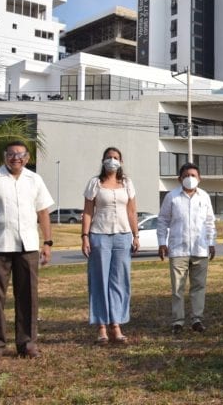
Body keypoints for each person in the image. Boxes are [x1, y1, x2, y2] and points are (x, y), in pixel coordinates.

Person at [0, 140, 55, 363]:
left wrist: (48, 242)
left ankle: (27, 344)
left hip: (28, 247)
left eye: (20, 154)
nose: (16, 158)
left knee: (28, 297)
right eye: (11, 154)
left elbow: (43, 212)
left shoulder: (34, 180)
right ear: (5, 157)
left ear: (27, 158)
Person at [81, 147, 139, 345]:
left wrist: (136, 234)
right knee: (99, 280)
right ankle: (101, 327)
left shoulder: (127, 184)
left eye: (115, 158)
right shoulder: (95, 183)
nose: (112, 161)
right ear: (103, 160)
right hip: (99, 235)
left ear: (121, 162)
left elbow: (132, 211)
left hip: (123, 236)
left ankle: (116, 324)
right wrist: (85, 236)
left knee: (119, 281)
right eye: (108, 158)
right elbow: (88, 211)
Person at [156, 163, 216, 334]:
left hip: (200, 249)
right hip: (178, 250)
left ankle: (197, 319)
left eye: (193, 175)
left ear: (199, 178)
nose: (190, 178)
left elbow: (210, 221)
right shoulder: (171, 197)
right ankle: (178, 321)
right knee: (177, 288)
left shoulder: (204, 196)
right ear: (179, 178)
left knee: (199, 286)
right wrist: (162, 242)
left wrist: (211, 243)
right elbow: (162, 221)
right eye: (186, 175)